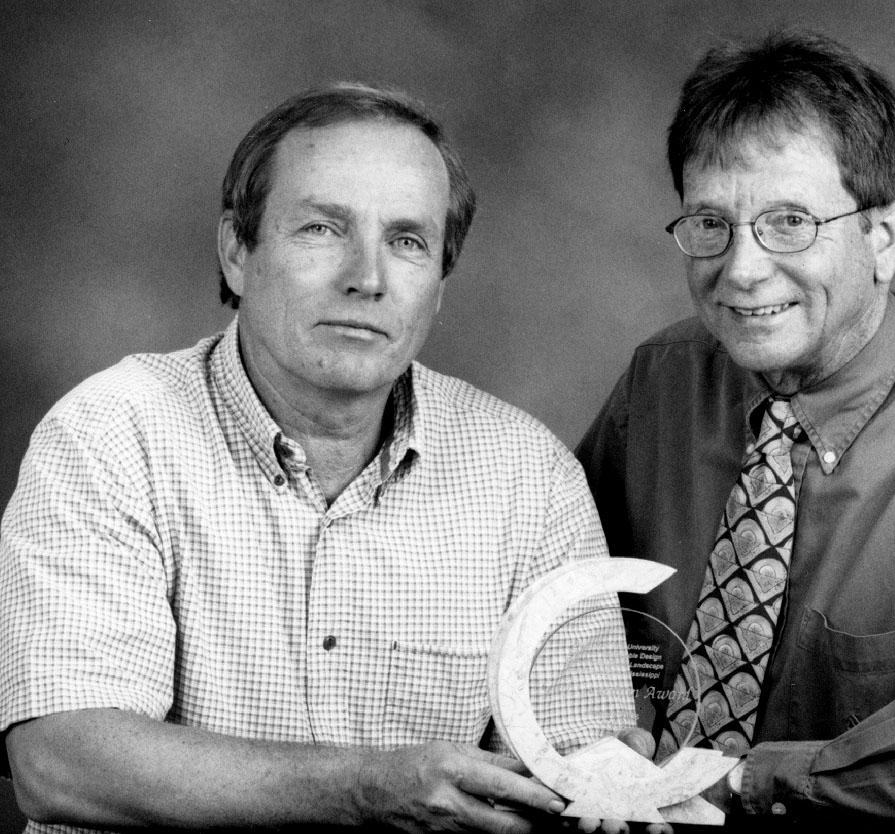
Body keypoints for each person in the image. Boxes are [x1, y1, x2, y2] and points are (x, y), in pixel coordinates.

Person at [0, 83, 638, 834]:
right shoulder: (111, 434)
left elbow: (576, 760)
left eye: (407, 242)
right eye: (322, 229)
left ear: (439, 286)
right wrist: (368, 787)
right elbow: (61, 763)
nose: (367, 277)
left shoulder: (530, 476)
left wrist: (602, 780)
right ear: (237, 251)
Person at [576, 31, 895, 830]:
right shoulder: (661, 381)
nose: (743, 269)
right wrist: (587, 724)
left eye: (789, 221)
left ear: (885, 237)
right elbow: (556, 600)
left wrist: (743, 784)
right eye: (710, 223)